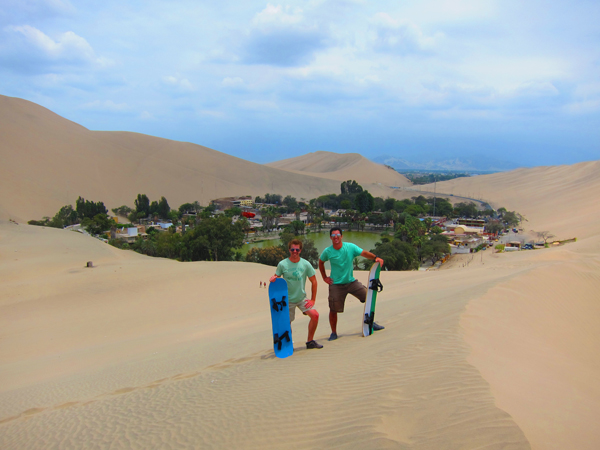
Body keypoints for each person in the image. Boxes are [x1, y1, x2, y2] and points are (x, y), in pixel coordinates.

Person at [319, 227, 385, 341]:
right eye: (333, 236)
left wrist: (375, 258)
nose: (336, 237)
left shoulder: (350, 247)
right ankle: (333, 333)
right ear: (330, 237)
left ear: (342, 236)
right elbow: (321, 262)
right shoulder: (327, 251)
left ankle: (371, 322)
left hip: (351, 282)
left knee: (368, 297)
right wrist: (324, 277)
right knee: (333, 309)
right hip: (336, 284)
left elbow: (363, 253)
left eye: (338, 235)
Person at [270, 239, 323, 349]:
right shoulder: (282, 264)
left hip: (302, 298)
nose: (295, 252)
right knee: (287, 323)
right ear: (289, 250)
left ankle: (310, 342)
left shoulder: (305, 264)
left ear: (300, 250)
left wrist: (313, 300)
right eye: (292, 249)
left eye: (297, 250)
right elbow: (276, 277)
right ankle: (288, 344)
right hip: (287, 300)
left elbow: (314, 281)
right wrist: (273, 278)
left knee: (315, 315)